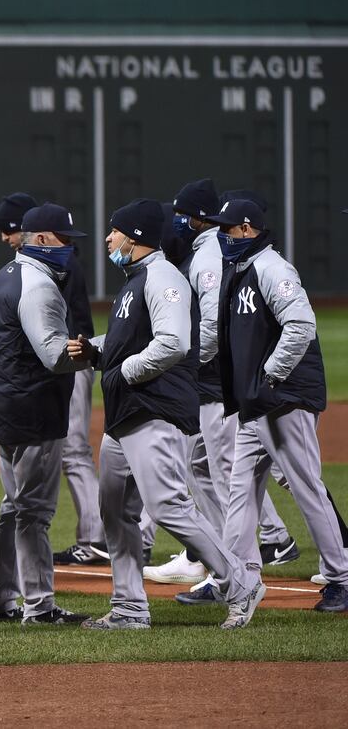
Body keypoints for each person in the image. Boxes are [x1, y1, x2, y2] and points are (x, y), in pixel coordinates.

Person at [68, 200, 264, 631]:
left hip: (153, 409)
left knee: (168, 505)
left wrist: (123, 371)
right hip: (127, 414)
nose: (108, 238)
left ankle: (242, 579)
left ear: (134, 237)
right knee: (116, 512)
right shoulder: (136, 279)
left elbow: (173, 343)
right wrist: (99, 350)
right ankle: (129, 608)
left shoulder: (164, 279)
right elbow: (131, 339)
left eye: (114, 231)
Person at [150, 182, 299, 592]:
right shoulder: (206, 252)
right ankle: (229, 560)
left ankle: (240, 570)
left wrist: (188, 363)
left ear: (197, 217)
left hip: (218, 384)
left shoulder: (210, 256)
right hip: (213, 384)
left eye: (182, 214)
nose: (175, 221)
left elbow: (214, 323)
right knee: (209, 469)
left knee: (250, 475)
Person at [209, 200, 347, 613]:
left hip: (285, 398)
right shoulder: (242, 270)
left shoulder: (273, 269)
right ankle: (238, 576)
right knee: (240, 489)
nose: (222, 235)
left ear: (248, 229)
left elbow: (301, 325)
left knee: (306, 485)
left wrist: (271, 375)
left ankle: (341, 577)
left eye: (228, 229)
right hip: (258, 401)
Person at [0, 193, 106, 567]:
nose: (70, 246)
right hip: (56, 371)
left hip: (21, 387)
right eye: (65, 238)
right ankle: (39, 599)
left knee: (25, 494)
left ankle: (92, 538)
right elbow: (53, 352)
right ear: (44, 238)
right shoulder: (37, 280)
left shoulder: (6, 276)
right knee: (33, 504)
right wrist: (111, 346)